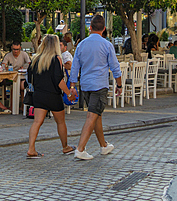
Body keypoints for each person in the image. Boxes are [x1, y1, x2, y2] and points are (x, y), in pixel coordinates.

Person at [69, 14, 121, 160]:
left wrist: (73, 84)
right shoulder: (107, 45)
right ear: (104, 29)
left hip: (85, 85)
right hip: (99, 84)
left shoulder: (81, 44)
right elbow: (115, 67)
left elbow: (75, 67)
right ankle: (80, 149)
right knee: (92, 115)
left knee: (96, 114)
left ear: (90, 28)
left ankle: (103, 145)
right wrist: (119, 84)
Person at [25, 34, 76, 158]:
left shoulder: (36, 59)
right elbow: (59, 80)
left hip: (39, 94)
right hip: (53, 95)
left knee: (37, 122)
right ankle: (65, 147)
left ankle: (31, 148)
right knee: (60, 122)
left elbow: (29, 77)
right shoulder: (56, 58)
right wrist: (69, 93)